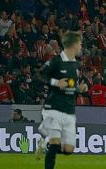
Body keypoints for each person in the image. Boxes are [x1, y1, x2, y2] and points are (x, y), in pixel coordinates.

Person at [36, 31, 88, 169]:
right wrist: (55, 82)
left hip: (69, 109)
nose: (81, 46)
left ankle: (45, 144)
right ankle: (50, 145)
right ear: (74, 45)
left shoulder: (76, 65)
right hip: (54, 107)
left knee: (68, 150)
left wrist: (78, 89)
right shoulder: (56, 61)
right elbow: (40, 75)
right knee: (55, 143)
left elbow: (69, 84)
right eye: (80, 43)